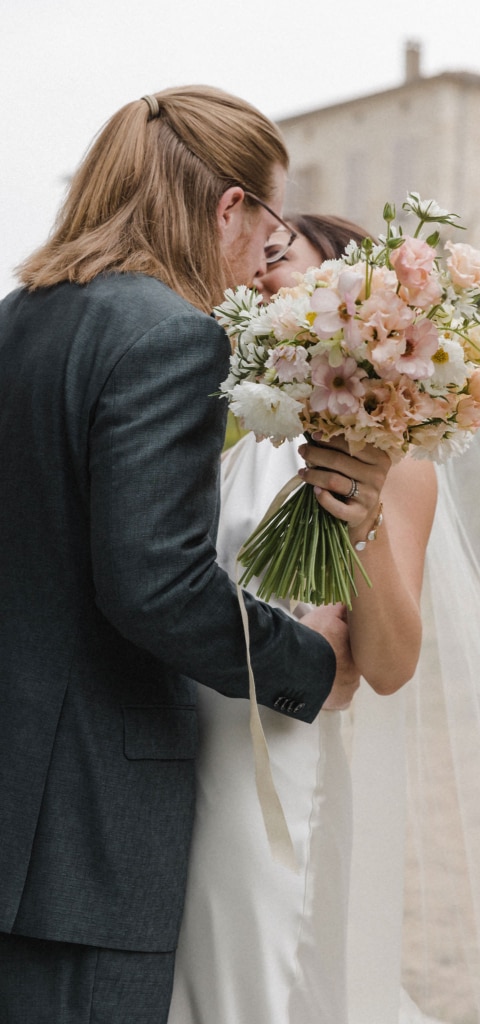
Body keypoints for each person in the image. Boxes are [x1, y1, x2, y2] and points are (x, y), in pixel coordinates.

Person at [170, 213, 480, 1024]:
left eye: (278, 257)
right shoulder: (234, 451)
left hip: (276, 764)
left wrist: (362, 514)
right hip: (185, 757)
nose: (256, 277)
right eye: (247, 266)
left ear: (346, 293)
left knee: (262, 977)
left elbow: (389, 663)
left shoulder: (391, 464)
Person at [0, 95, 360, 1024]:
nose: (262, 254)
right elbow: (153, 583)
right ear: (229, 207)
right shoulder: (169, 334)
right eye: (270, 223)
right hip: (88, 825)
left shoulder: (19, 319)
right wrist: (308, 662)